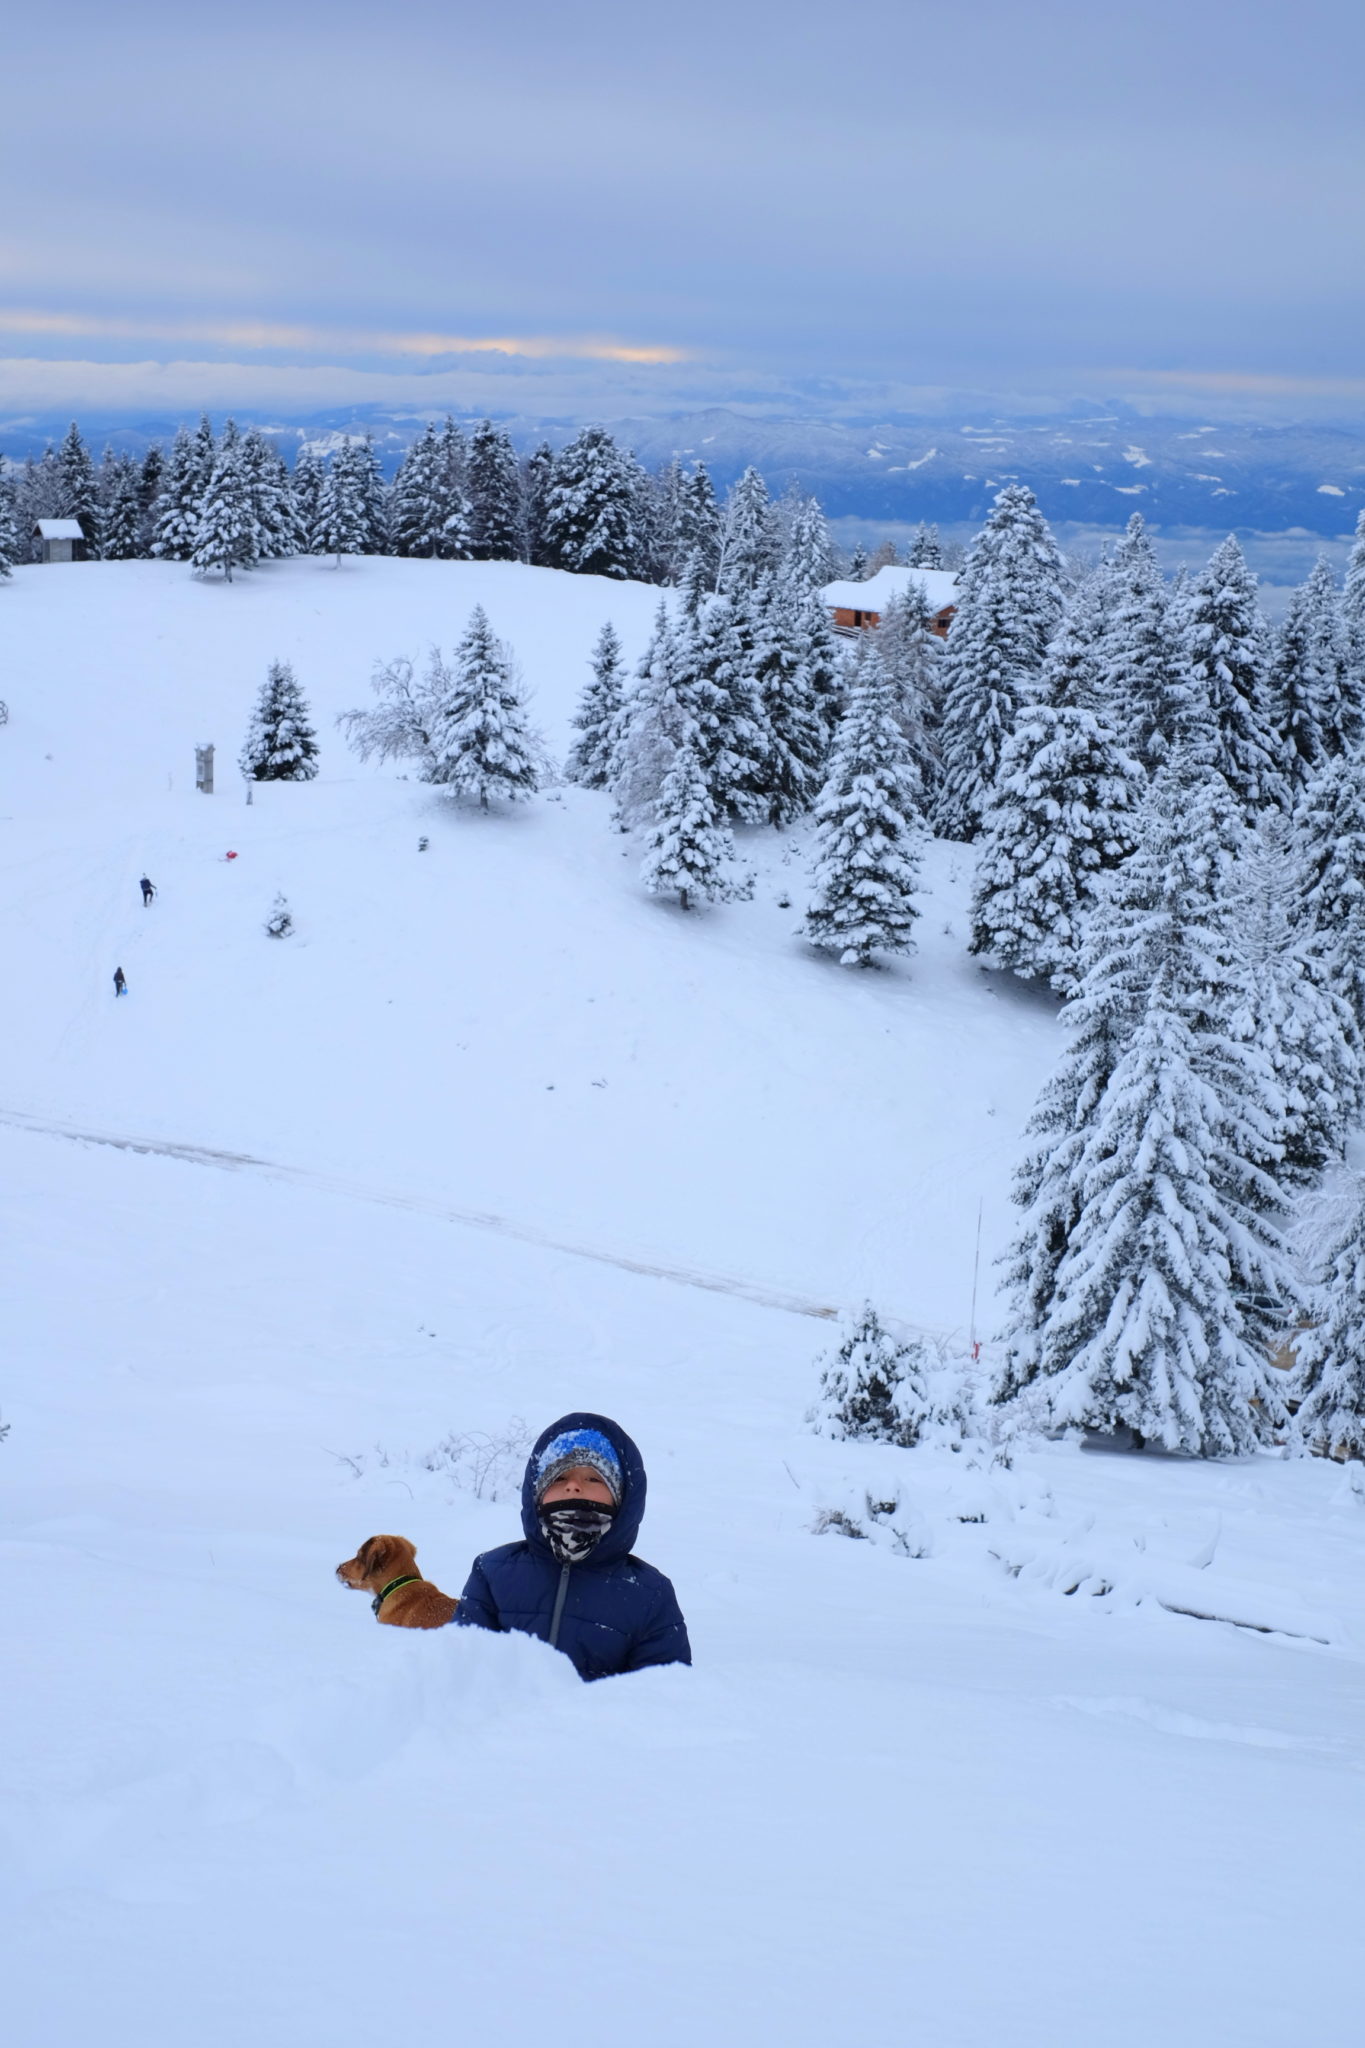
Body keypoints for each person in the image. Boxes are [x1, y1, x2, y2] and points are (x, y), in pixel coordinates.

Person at [453, 1412, 690, 1681]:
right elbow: (461, 1674)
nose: (574, 1487)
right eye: (559, 1477)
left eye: (594, 1478)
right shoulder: (493, 1573)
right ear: (537, 1492)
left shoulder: (650, 1595)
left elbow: (662, 1700)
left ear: (621, 1497)